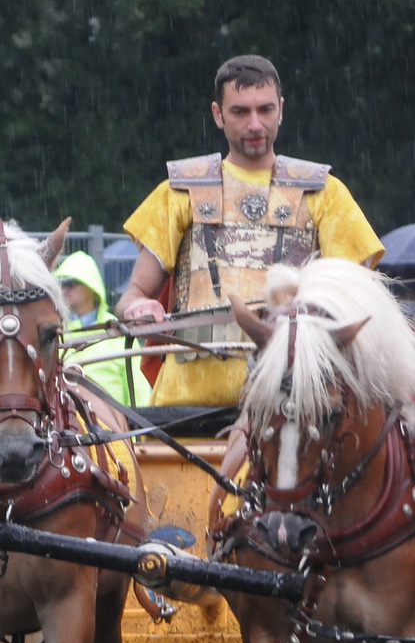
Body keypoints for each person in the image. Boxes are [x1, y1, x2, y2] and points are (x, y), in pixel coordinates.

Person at [117, 55, 384, 406]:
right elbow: (132, 295)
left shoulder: (325, 193)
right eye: (241, 112)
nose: (255, 124)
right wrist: (138, 307)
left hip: (292, 405)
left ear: (281, 110)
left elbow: (357, 300)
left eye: (265, 110)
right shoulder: (179, 191)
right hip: (186, 405)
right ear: (218, 115)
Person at [55, 249, 151, 406]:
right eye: (61, 284)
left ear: (91, 287)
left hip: (113, 420)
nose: (64, 290)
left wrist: (142, 422)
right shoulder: (55, 331)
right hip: (65, 418)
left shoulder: (118, 331)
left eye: (70, 284)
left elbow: (139, 391)